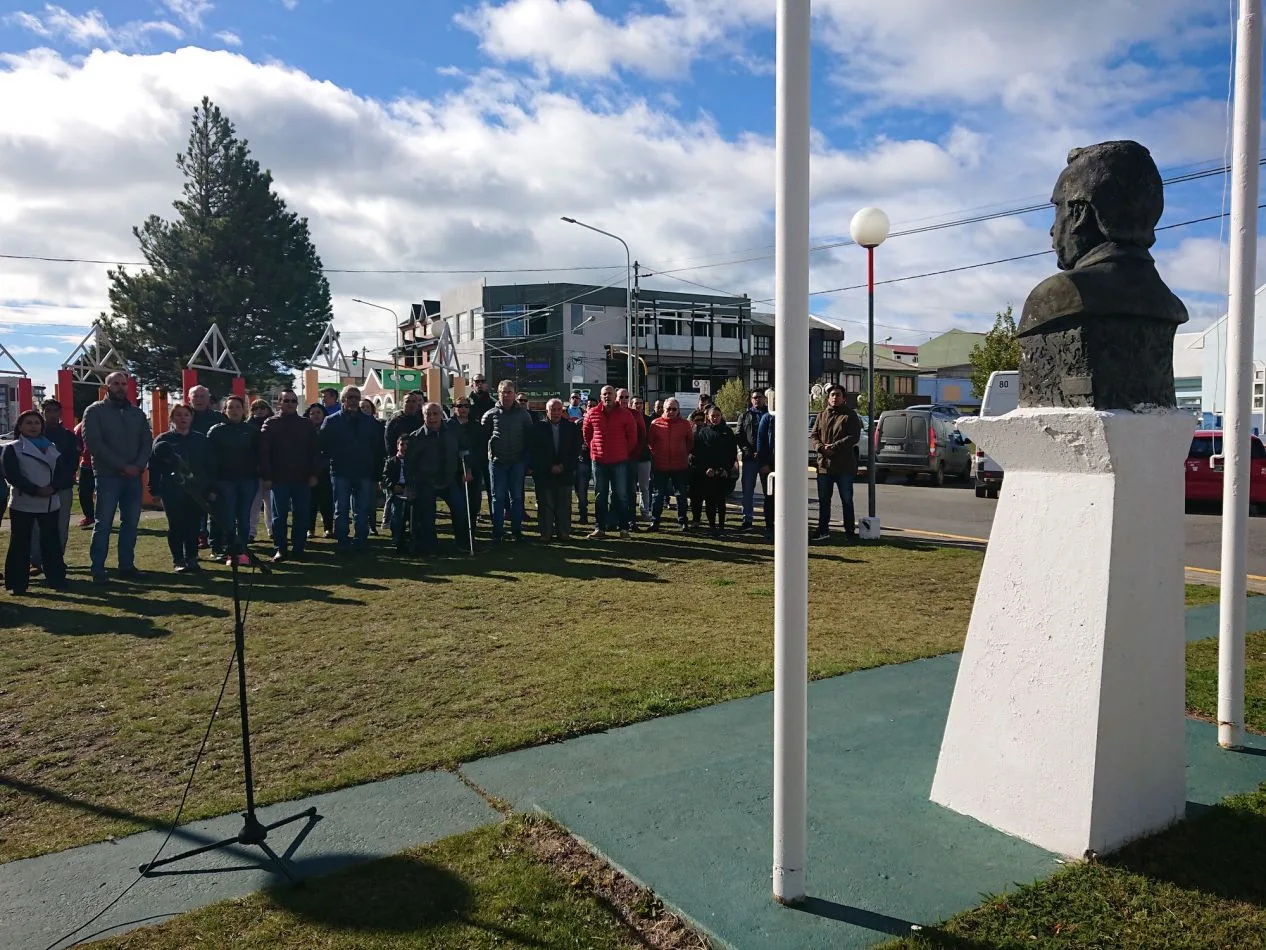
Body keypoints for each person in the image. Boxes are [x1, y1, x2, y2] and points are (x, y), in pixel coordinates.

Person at [82, 370, 151, 583]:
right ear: (107, 387)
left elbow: (147, 441)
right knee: (103, 523)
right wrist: (122, 466)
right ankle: (98, 569)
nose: (121, 387)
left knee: (130, 523)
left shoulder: (136, 413)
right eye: (116, 384)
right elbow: (94, 443)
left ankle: (126, 566)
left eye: (123, 383)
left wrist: (138, 465)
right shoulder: (94, 411)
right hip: (108, 476)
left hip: (134, 477)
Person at [3, 410, 68, 594]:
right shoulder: (13, 448)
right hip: (24, 503)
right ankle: (17, 584)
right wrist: (36, 490)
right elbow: (12, 476)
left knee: (51, 543)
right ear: (20, 427)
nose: (33, 426)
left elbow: (63, 473)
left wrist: (53, 488)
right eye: (28, 423)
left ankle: (56, 579)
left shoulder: (52, 446)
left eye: (37, 423)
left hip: (50, 502)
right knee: (20, 544)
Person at [150, 404, 214, 573]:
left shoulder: (201, 440)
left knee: (193, 526)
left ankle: (192, 558)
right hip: (172, 490)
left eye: (186, 415)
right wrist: (154, 491)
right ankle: (178, 559)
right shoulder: (163, 440)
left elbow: (209, 466)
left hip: (196, 490)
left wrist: (209, 489)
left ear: (191, 418)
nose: (183, 418)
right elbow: (154, 467)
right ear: (172, 418)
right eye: (178, 415)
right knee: (176, 525)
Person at [320, 386, 385, 554]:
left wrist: (376, 472)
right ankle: (342, 540)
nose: (354, 400)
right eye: (350, 397)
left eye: (356, 397)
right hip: (340, 471)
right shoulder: (332, 421)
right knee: (341, 509)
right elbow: (323, 446)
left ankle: (360, 540)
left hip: (364, 471)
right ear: (343, 400)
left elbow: (378, 448)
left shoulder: (371, 422)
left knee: (362, 508)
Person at [260, 389, 322, 563]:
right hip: (279, 479)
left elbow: (315, 452)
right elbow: (264, 453)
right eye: (286, 400)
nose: (289, 404)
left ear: (297, 404)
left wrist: (314, 474)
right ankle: (280, 548)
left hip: (302, 478)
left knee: (301, 515)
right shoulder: (270, 423)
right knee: (279, 517)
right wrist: (267, 476)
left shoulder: (306, 424)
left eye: (293, 401)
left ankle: (299, 548)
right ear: (279, 403)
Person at [405, 402, 469, 555]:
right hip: (426, 481)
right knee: (427, 516)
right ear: (423, 416)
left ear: (441, 415)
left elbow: (464, 450)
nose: (432, 417)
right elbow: (409, 464)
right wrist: (409, 484)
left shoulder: (453, 429)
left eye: (435, 414)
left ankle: (463, 543)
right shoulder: (416, 437)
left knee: (460, 511)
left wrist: (468, 469)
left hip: (449, 478)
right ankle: (430, 546)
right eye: (428, 414)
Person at [207, 395, 260, 566]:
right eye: (230, 407)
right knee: (228, 518)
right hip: (225, 481)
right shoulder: (216, 431)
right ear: (224, 411)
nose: (234, 410)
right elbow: (210, 459)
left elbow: (259, 455)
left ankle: (242, 550)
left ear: (243, 410)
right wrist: (212, 483)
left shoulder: (252, 431)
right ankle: (230, 551)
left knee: (244, 517)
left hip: (247, 480)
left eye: (238, 407)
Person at [581, 385, 637, 540]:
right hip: (599, 462)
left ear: (615, 396)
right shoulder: (592, 413)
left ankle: (624, 529)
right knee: (600, 495)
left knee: (621, 495)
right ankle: (600, 528)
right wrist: (595, 450)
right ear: (601, 396)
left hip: (619, 461)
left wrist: (623, 451)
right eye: (605, 394)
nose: (607, 396)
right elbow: (587, 435)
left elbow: (632, 437)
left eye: (610, 394)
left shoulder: (625, 415)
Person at [30, 398, 79, 575]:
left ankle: (57, 559)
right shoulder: (33, 435)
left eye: (55, 411)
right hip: (37, 488)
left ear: (60, 413)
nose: (52, 414)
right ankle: (35, 561)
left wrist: (56, 484)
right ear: (42, 412)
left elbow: (72, 463)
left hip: (61, 487)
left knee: (60, 525)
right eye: (48, 410)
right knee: (35, 526)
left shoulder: (68, 436)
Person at [481, 379, 533, 542]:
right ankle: (497, 532)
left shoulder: (524, 415)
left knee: (516, 497)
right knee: (497, 497)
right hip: (497, 462)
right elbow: (483, 437)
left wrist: (527, 461)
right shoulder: (490, 414)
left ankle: (516, 532)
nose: (506, 395)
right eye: (503, 392)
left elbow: (529, 439)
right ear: (498, 394)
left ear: (514, 394)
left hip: (517, 462)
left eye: (509, 392)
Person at [810, 384, 862, 543]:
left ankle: (849, 532)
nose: (834, 397)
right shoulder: (821, 415)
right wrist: (820, 448)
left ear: (843, 398)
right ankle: (823, 530)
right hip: (824, 466)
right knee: (824, 501)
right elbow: (814, 435)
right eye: (832, 395)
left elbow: (854, 437)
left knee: (847, 500)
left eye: (838, 395)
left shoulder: (850, 416)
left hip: (844, 466)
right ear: (828, 398)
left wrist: (835, 447)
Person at [529, 398, 582, 542]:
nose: (556, 412)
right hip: (544, 473)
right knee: (545, 504)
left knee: (564, 505)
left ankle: (563, 532)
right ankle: (546, 533)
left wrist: (563, 466)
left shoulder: (571, 428)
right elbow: (535, 452)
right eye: (553, 409)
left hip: (565, 472)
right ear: (547, 411)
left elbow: (575, 450)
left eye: (559, 409)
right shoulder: (537, 428)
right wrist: (549, 467)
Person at [692, 405, 738, 538]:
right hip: (708, 473)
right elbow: (698, 453)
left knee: (721, 501)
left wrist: (726, 469)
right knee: (710, 501)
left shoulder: (727, 432)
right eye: (713, 416)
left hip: (723, 472)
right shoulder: (702, 432)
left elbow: (732, 453)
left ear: (721, 416)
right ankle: (712, 527)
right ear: (708, 417)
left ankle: (722, 526)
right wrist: (706, 468)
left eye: (717, 415)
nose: (715, 418)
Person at [647, 398, 693, 531]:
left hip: (680, 465)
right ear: (663, 409)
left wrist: (682, 453)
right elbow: (650, 443)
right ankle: (655, 521)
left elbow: (690, 442)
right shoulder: (655, 423)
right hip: (660, 465)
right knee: (658, 495)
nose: (671, 412)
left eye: (674, 409)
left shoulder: (685, 424)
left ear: (678, 410)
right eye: (669, 409)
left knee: (681, 495)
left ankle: (683, 521)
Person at [447, 397, 486, 525]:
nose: (463, 409)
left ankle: (472, 531)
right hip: (454, 470)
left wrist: (469, 468)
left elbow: (480, 448)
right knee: (457, 504)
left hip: (473, 470)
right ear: (454, 408)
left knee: (473, 503)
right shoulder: (448, 426)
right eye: (459, 406)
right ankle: (460, 534)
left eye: (466, 406)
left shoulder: (476, 426)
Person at [737, 388, 768, 532]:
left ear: (764, 399)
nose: (757, 400)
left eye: (760, 397)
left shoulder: (770, 415)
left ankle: (770, 521)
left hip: (766, 460)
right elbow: (739, 436)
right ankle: (747, 520)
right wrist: (748, 451)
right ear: (751, 399)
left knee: (770, 492)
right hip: (749, 459)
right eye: (755, 397)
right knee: (747, 491)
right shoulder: (745, 415)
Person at [615, 389, 646, 531]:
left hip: (630, 458)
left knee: (630, 490)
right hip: (613, 458)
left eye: (626, 397)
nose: (624, 400)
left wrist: (634, 452)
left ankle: (632, 521)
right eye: (621, 397)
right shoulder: (611, 412)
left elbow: (642, 436)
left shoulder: (635, 415)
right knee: (614, 490)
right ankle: (614, 520)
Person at [468, 374, 497, 515]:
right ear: (472, 384)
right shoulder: (466, 403)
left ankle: (495, 517)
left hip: (490, 450)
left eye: (482, 381)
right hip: (472, 451)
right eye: (477, 381)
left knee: (493, 487)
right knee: (474, 488)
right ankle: (474, 514)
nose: (480, 384)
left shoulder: (493, 403)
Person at [306, 404, 334, 539]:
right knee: (309, 501)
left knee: (326, 501)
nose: (316, 415)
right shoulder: (304, 430)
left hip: (326, 470)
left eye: (318, 412)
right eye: (312, 413)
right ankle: (309, 529)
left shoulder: (329, 429)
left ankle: (328, 528)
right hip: (308, 470)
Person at [247, 398, 273, 543]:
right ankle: (251, 532)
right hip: (253, 471)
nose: (259, 410)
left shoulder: (274, 424)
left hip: (271, 470)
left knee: (270, 504)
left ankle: (272, 530)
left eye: (262, 407)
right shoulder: (248, 426)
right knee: (254, 504)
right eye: (255, 408)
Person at [381, 434, 412, 553]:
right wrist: (393, 486)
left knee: (411, 514)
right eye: (402, 444)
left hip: (409, 489)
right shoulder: (391, 461)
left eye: (407, 445)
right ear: (397, 446)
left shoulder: (412, 462)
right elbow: (385, 477)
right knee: (397, 515)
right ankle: (397, 538)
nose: (404, 447)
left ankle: (410, 538)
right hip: (396, 490)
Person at [360, 398, 386, 535]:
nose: (364, 409)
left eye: (367, 407)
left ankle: (372, 525)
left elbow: (381, 449)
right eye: (362, 407)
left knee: (371, 500)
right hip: (357, 468)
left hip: (372, 468)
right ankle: (361, 525)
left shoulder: (378, 426)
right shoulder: (354, 425)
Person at [756, 389, 776, 542]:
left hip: (787, 467)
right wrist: (763, 464)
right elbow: (761, 442)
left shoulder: (792, 417)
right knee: (770, 497)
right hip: (769, 465)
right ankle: (769, 527)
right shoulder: (766, 419)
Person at [630, 395, 654, 522]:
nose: (638, 405)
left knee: (644, 487)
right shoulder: (627, 417)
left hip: (644, 457)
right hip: (630, 457)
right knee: (631, 487)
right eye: (635, 403)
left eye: (640, 403)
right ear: (631, 404)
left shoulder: (648, 420)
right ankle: (631, 512)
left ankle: (645, 511)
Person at [685, 407, 708, 528]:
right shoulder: (690, 432)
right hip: (692, 466)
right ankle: (696, 519)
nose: (699, 422)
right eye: (697, 420)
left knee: (707, 495)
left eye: (701, 420)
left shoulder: (707, 431)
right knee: (695, 496)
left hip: (706, 466)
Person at [75, 420, 94, 528]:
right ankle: (89, 516)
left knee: (104, 493)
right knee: (84, 492)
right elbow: (78, 445)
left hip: (104, 465)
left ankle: (102, 517)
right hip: (87, 465)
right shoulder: (81, 427)